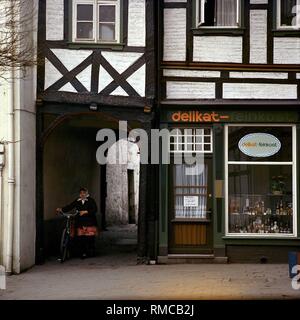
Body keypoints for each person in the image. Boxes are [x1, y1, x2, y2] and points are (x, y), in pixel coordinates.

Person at [57, 188, 98, 259]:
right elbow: (70, 206)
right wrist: (62, 209)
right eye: (81, 193)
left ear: (87, 193)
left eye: (84, 193)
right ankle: (83, 252)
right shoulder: (77, 201)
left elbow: (95, 209)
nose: (82, 194)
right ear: (79, 194)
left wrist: (85, 211)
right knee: (81, 237)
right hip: (80, 221)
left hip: (90, 222)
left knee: (90, 238)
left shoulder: (91, 200)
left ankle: (91, 251)